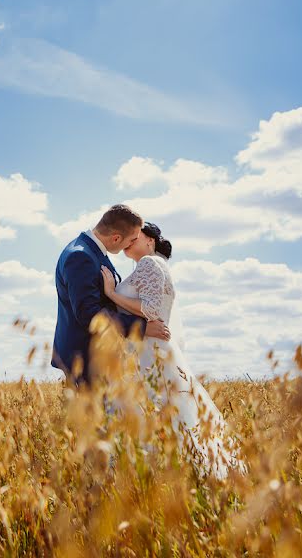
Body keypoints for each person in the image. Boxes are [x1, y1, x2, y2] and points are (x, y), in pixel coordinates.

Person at [101, 221, 245, 479]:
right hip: (151, 350)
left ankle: (150, 478)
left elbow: (153, 310)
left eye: (137, 234)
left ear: (150, 241)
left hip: (148, 353)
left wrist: (111, 294)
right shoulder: (151, 266)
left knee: (145, 413)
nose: (131, 238)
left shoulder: (150, 263)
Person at [52, 204, 171, 386]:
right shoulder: (80, 256)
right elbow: (89, 314)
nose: (130, 244)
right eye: (131, 239)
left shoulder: (93, 252)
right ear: (116, 238)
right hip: (86, 358)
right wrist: (142, 328)